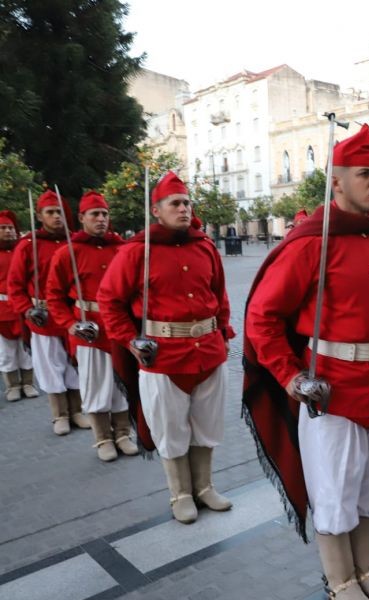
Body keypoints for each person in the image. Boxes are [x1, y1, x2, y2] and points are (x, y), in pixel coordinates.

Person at [243, 123, 369, 600]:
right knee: (335, 491)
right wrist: (291, 376)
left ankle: (366, 571)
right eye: (364, 174)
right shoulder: (310, 243)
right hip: (331, 391)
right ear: (335, 182)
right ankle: (340, 582)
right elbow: (262, 318)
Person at [99, 171, 235, 524]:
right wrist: (130, 340)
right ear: (156, 210)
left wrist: (222, 331)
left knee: (207, 425)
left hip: (208, 351)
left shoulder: (205, 246)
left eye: (187, 202)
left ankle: (204, 487)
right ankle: (181, 493)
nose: (184, 208)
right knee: (170, 428)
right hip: (163, 356)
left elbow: (219, 295)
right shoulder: (135, 252)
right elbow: (109, 300)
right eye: (175, 203)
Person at [46, 191, 138, 462]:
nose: (100, 219)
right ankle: (102, 438)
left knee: (121, 382)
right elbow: (54, 296)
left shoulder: (123, 249)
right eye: (94, 215)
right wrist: (71, 325)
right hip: (89, 330)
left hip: (119, 328)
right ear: (82, 218)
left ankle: (122, 432)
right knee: (95, 385)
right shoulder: (67, 254)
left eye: (104, 214)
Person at [7, 190, 85, 434]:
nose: (56, 217)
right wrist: (28, 310)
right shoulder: (28, 245)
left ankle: (77, 410)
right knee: (50, 365)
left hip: (73, 316)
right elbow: (15, 285)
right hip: (44, 316)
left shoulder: (76, 242)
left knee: (75, 363)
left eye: (60, 212)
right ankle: (59, 414)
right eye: (50, 212)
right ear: (40, 216)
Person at [0, 210, 39, 402]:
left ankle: (28, 383)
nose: (8, 231)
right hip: (2, 310)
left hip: (22, 306)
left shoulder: (22, 250)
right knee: (6, 351)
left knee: (25, 348)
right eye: (3, 228)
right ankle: (12, 386)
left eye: (10, 228)